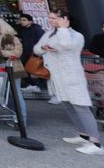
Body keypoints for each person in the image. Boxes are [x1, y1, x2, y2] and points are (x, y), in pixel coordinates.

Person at [34, 9, 103, 155]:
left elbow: (66, 45)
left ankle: (95, 143)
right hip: (57, 77)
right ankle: (83, 134)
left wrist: (63, 30)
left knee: (81, 107)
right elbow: (37, 49)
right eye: (50, 18)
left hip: (72, 76)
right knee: (67, 106)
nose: (51, 21)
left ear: (65, 19)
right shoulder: (49, 33)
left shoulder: (76, 35)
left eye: (54, 18)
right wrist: (43, 47)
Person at [17, 13, 45, 92]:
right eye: (21, 20)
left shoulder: (37, 29)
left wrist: (38, 51)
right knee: (21, 68)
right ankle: (32, 84)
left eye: (24, 20)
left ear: (30, 21)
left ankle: (39, 86)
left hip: (35, 53)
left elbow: (42, 40)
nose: (22, 22)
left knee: (37, 70)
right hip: (26, 52)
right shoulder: (22, 29)